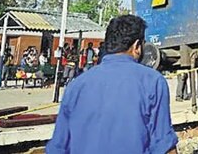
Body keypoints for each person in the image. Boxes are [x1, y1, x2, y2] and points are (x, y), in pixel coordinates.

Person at [47, 15, 177, 154]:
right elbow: (164, 145)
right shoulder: (153, 82)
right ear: (137, 47)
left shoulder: (76, 86)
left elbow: (58, 147)